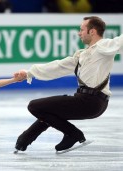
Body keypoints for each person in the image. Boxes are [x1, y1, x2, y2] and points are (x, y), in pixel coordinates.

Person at [13, 16, 123, 152]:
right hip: (89, 101)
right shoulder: (82, 55)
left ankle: (73, 134)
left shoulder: (103, 46)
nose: (79, 33)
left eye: (82, 29)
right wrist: (29, 73)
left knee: (34, 106)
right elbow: (57, 66)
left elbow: (120, 42)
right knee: (49, 111)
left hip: (91, 102)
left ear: (92, 32)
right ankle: (23, 141)